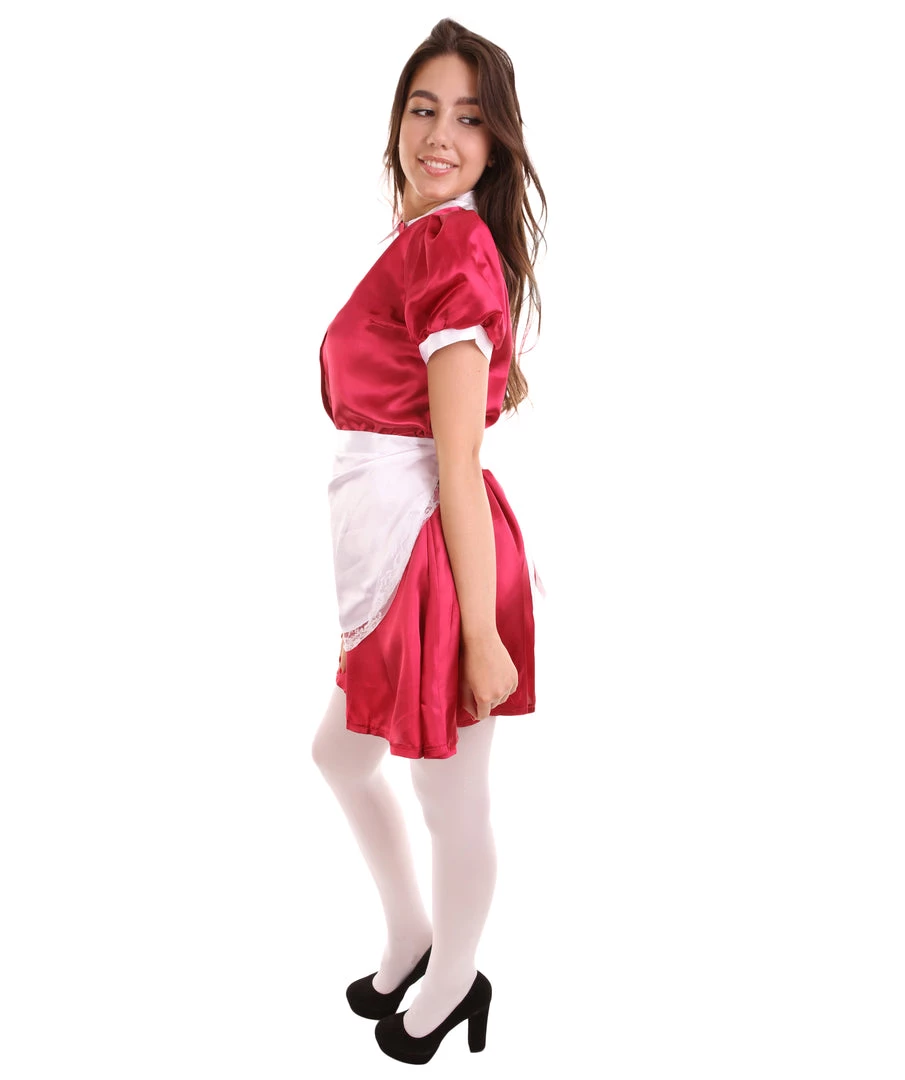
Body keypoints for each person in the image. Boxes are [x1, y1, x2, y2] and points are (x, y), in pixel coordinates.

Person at [310, 17, 546, 1064]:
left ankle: (454, 982)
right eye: (422, 108)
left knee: (448, 793)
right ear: (396, 120)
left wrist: (483, 636)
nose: (440, 135)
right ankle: (411, 935)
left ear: (495, 145)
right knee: (339, 754)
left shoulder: (451, 245)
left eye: (469, 118)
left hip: (436, 561)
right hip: (389, 554)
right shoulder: (417, 241)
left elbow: (456, 462)